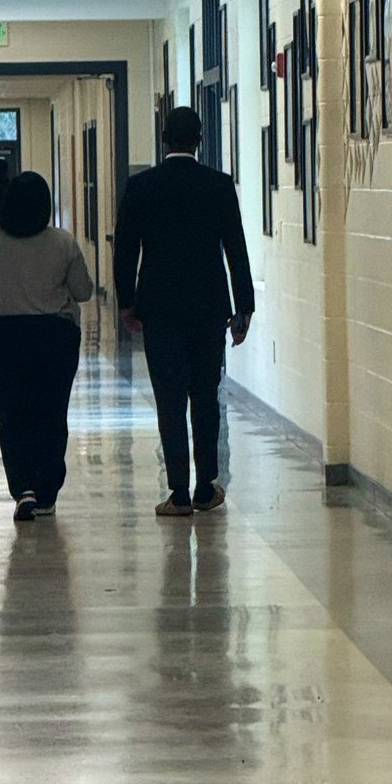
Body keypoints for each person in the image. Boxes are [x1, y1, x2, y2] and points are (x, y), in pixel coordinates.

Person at [113, 106, 255, 517]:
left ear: (163, 139)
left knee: (170, 399)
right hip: (209, 308)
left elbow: (126, 249)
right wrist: (244, 306)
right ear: (199, 139)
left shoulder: (140, 186)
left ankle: (177, 492)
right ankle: (206, 487)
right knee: (205, 396)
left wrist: (127, 301)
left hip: (158, 308)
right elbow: (236, 248)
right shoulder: (218, 185)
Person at [0, 172, 94, 523]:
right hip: (54, 336)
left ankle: (23, 489)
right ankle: (48, 491)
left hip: (4, 337)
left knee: (11, 413)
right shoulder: (63, 243)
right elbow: (83, 292)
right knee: (51, 413)